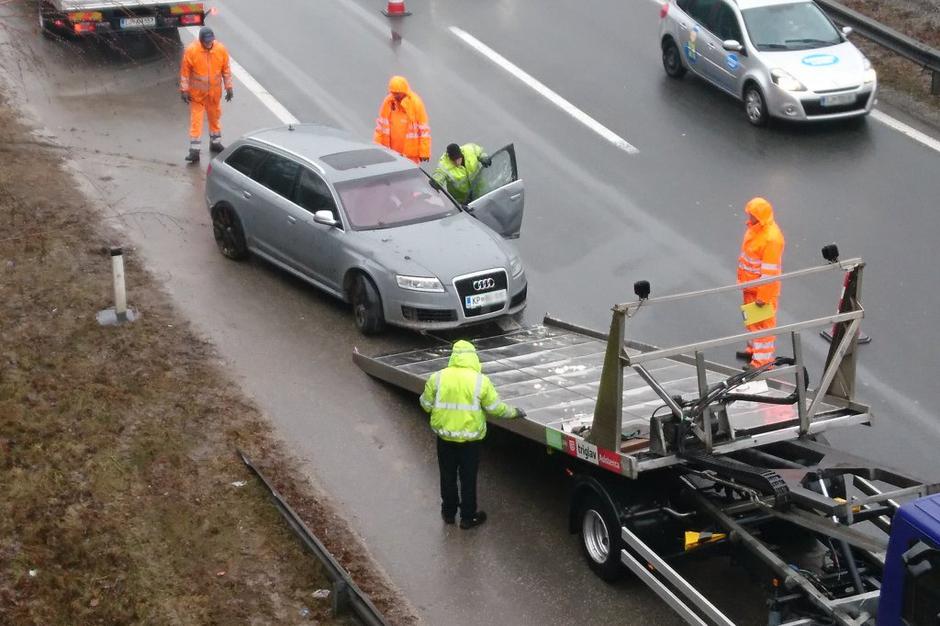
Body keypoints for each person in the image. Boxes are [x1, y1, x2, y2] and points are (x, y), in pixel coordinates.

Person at [419, 340, 524, 529]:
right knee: (468, 479)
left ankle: (448, 513)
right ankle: (468, 518)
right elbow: (496, 409)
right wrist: (515, 412)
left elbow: (425, 405)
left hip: (445, 438)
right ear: (473, 357)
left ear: (453, 356)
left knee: (447, 476)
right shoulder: (480, 381)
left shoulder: (438, 378)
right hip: (470, 442)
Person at [736, 197, 785, 369]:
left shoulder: (771, 239)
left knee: (763, 327)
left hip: (761, 292)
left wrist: (763, 297)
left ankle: (762, 361)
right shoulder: (755, 230)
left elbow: (769, 272)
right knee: (751, 322)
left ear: (759, 216)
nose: (749, 217)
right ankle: (754, 351)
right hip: (750, 287)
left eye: (752, 215)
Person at [180, 27, 233, 164]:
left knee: (215, 118)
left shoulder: (220, 49)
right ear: (201, 40)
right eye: (206, 42)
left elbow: (226, 70)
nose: (209, 44)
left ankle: (215, 143)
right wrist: (184, 90)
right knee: (196, 121)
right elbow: (185, 73)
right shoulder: (192, 51)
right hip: (197, 95)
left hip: (214, 94)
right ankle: (194, 151)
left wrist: (229, 87)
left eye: (211, 41)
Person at [373, 75, 430, 164]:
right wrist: (376, 148)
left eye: (397, 93)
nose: (394, 95)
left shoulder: (415, 103)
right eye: (393, 93)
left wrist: (424, 152)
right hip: (390, 153)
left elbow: (424, 130)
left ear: (404, 91)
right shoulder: (388, 102)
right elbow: (380, 127)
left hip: (410, 156)